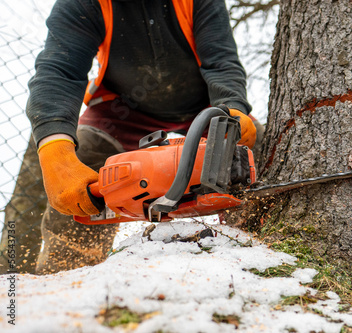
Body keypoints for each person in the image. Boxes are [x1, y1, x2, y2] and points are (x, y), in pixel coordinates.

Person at [26, 0, 262, 274]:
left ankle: (254, 251)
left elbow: (221, 61)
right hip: (122, 109)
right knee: (84, 152)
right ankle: (66, 271)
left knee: (250, 153)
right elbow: (59, 71)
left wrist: (233, 108)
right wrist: (54, 146)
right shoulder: (82, 4)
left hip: (206, 107)